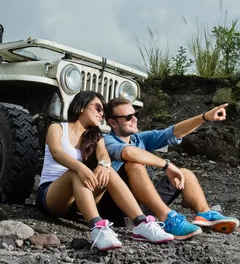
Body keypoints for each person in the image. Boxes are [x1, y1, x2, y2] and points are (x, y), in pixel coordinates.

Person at [36, 91, 174, 251]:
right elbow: (56, 152)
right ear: (81, 106)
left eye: (103, 111)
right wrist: (81, 167)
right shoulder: (58, 127)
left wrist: (103, 164)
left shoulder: (95, 136)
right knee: (75, 173)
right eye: (97, 108)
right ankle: (97, 228)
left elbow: (103, 155)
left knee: (107, 171)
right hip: (52, 195)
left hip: (80, 199)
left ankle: (141, 224)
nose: (101, 114)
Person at [102, 97, 240, 240]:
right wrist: (166, 164)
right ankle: (167, 219)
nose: (135, 119)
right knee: (134, 164)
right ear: (112, 122)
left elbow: (175, 132)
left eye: (135, 115)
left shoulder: (139, 139)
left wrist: (204, 117)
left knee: (185, 173)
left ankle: (205, 214)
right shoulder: (106, 140)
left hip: (142, 201)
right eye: (129, 117)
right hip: (118, 205)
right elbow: (128, 152)